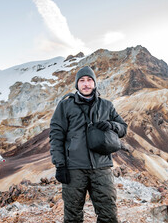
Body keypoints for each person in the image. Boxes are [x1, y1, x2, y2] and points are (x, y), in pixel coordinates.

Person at [50, 66, 128, 223]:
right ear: (77, 84)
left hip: (102, 168)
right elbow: (56, 136)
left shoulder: (107, 105)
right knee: (73, 216)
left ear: (95, 83)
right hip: (74, 169)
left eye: (89, 80)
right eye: (82, 81)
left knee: (109, 214)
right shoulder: (65, 106)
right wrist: (60, 165)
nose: (86, 84)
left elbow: (123, 128)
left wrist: (111, 125)